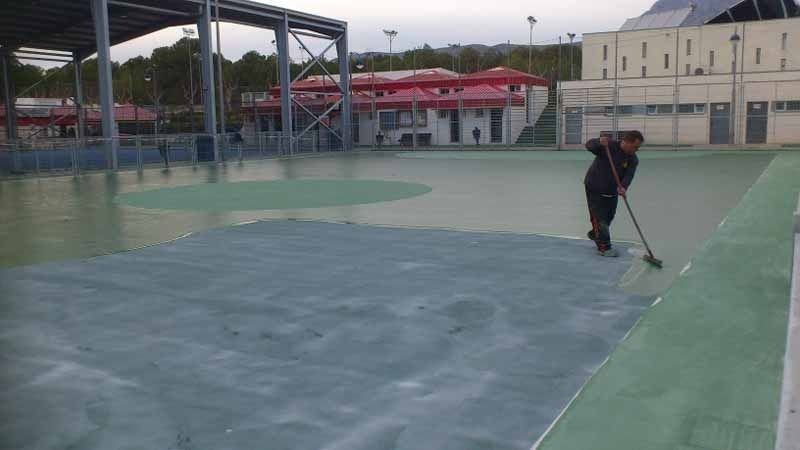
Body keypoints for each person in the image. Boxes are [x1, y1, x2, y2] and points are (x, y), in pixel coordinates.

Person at [584, 130, 644, 257]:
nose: (637, 150)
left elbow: (629, 175)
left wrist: (623, 187)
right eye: (635, 147)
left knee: (609, 217)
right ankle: (604, 247)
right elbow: (589, 145)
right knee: (600, 219)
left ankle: (596, 234)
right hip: (595, 187)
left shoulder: (633, 159)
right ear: (626, 142)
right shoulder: (608, 146)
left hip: (612, 191)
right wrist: (598, 142)